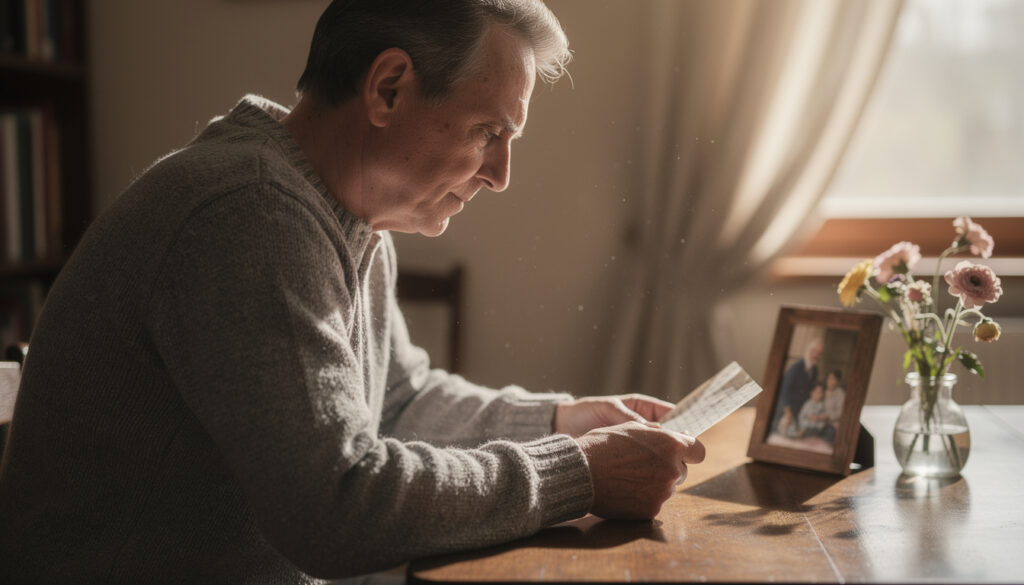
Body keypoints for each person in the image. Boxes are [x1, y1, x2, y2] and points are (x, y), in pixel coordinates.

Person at [0, 1, 706, 583]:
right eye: (489, 131)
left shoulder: (350, 218)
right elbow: (336, 504)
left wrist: (561, 422)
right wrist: (576, 473)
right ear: (388, 88)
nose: (501, 174)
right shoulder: (249, 214)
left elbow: (396, 400)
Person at [773, 338, 823, 436]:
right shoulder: (796, 367)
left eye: (821, 354)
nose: (818, 356)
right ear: (811, 351)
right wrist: (787, 411)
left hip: (799, 411)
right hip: (786, 409)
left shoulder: (815, 370)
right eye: (817, 352)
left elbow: (810, 393)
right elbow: (784, 390)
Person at [822, 369, 846, 444]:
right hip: (820, 422)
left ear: (837, 381)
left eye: (833, 379)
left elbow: (840, 412)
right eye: (829, 378)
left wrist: (828, 416)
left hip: (832, 424)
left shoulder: (840, 394)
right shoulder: (822, 391)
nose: (830, 381)